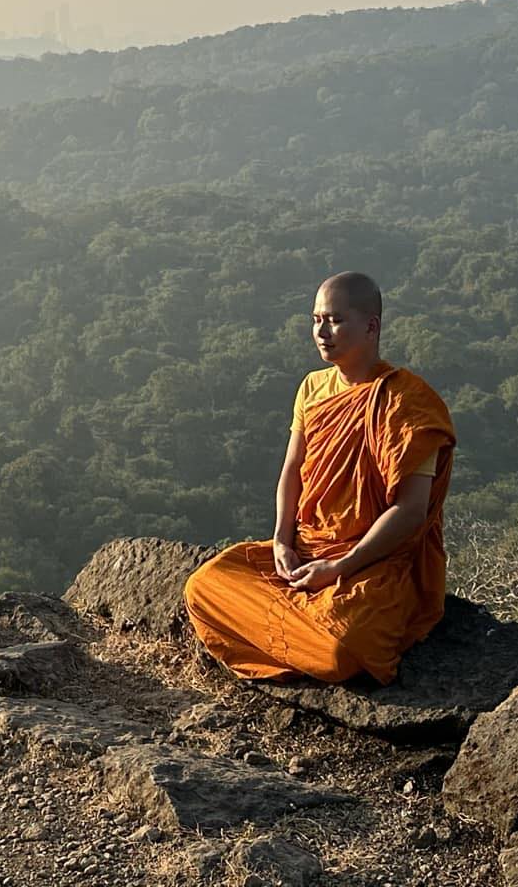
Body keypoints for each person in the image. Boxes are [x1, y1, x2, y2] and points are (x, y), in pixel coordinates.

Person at [183, 271, 456, 683]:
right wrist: (281, 539)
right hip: (308, 549)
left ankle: (293, 638)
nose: (321, 332)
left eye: (334, 320)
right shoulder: (312, 388)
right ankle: (298, 634)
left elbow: (411, 510)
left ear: (371, 326)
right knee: (204, 585)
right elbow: (293, 468)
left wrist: (341, 565)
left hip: (370, 563)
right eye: (315, 320)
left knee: (339, 651)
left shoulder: (408, 402)